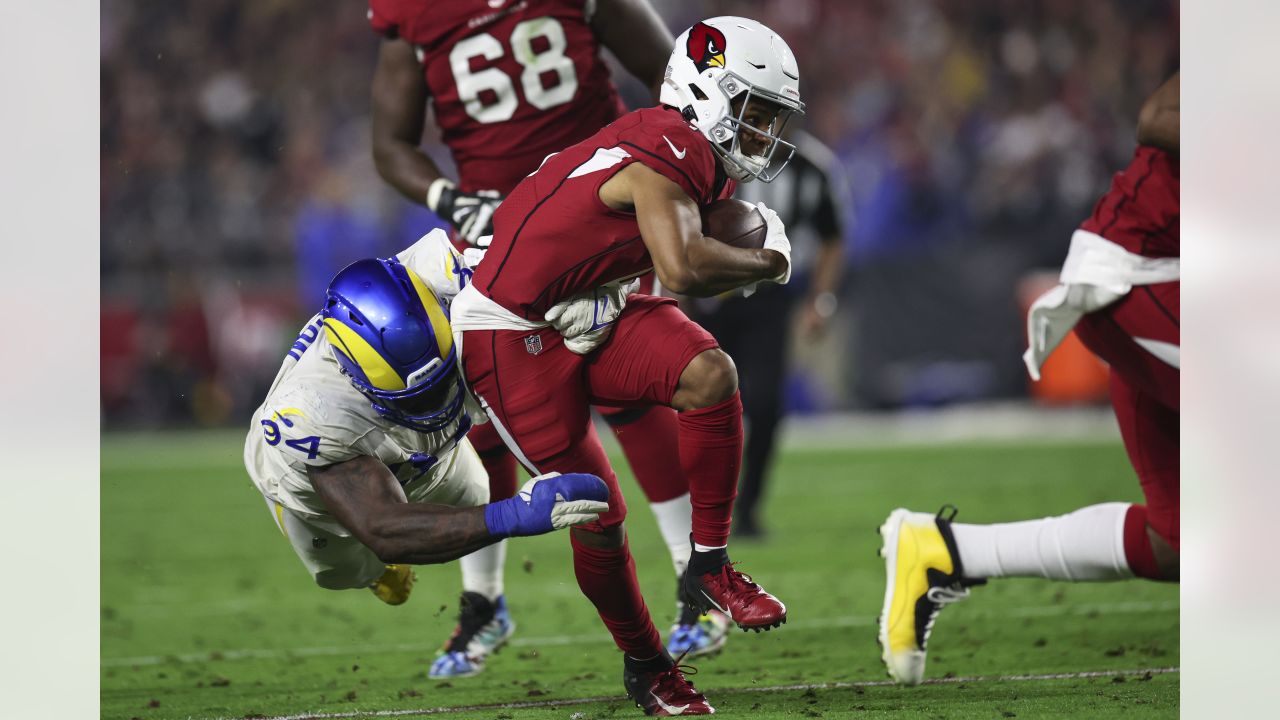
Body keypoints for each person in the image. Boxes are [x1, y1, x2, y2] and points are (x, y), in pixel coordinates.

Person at [450, 16, 803, 714]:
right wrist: (771, 261)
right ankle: (648, 667)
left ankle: (707, 565)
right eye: (753, 114)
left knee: (709, 374)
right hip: (512, 330)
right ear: (708, 94)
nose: (764, 135)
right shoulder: (669, 143)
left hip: (583, 305)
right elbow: (683, 267)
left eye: (771, 120)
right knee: (597, 508)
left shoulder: (692, 153)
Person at [366, 0, 730, 674]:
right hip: (495, 234)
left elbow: (674, 76)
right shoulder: (414, 12)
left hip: (598, 217)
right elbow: (390, 142)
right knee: (471, 417)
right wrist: (449, 198)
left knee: (636, 390)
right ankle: (483, 603)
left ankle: (695, 582)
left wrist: (664, 185)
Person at [877, 73, 1180, 685]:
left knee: (1177, 539)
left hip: (1175, 285)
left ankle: (943, 554)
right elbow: (1160, 115)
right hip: (1146, 275)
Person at [243, 232, 611, 641]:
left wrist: (591, 292)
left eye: (438, 388)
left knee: (475, 496)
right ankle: (376, 575)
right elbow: (382, 528)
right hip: (318, 486)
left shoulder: (441, 272)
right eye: (418, 399)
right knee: (348, 570)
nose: (435, 407)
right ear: (356, 375)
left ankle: (480, 601)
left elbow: (543, 254)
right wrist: (515, 516)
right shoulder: (313, 414)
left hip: (418, 451)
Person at [687, 129, 848, 538]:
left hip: (767, 297)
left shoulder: (812, 167)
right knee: (700, 405)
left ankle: (747, 508)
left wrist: (821, 299)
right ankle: (700, 508)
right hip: (708, 294)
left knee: (764, 402)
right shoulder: (710, 150)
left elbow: (832, 237)